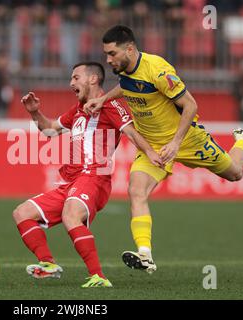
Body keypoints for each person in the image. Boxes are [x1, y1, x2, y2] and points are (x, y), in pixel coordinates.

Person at [83, 25, 243, 274]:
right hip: (152, 147)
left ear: (129, 49)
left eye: (112, 53)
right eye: (106, 54)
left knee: (235, 173)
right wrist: (104, 99)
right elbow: (128, 86)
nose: (108, 59)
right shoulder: (124, 68)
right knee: (136, 191)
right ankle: (145, 254)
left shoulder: (158, 70)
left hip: (187, 140)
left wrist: (176, 143)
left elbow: (190, 105)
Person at [12, 62, 162, 287]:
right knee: (22, 213)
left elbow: (130, 131)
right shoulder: (78, 110)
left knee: (71, 215)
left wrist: (150, 152)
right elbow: (50, 129)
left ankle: (98, 277)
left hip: (94, 177)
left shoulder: (110, 105)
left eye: (76, 77)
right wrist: (34, 112)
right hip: (72, 181)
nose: (71, 83)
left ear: (93, 79)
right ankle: (48, 263)